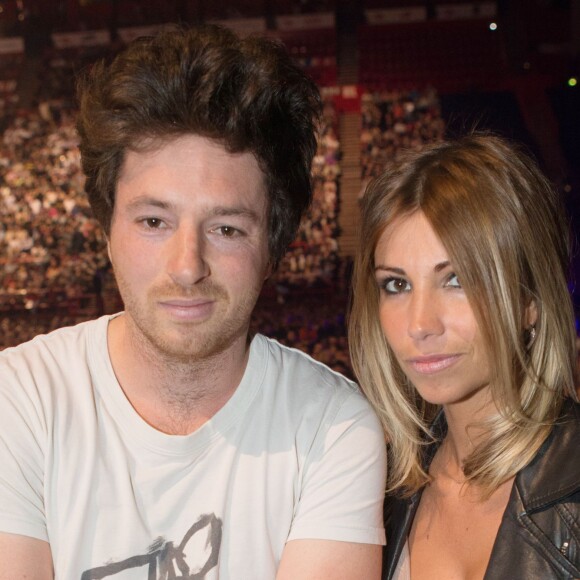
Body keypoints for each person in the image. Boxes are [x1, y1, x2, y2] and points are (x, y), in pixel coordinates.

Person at [0, 25, 387, 579]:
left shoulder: (333, 429)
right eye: (154, 221)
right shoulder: (18, 400)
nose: (187, 266)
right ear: (106, 231)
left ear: (272, 248)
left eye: (227, 229)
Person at [348, 134, 580, 579]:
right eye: (396, 285)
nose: (419, 324)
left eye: (456, 279)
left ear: (529, 300)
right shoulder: (374, 490)